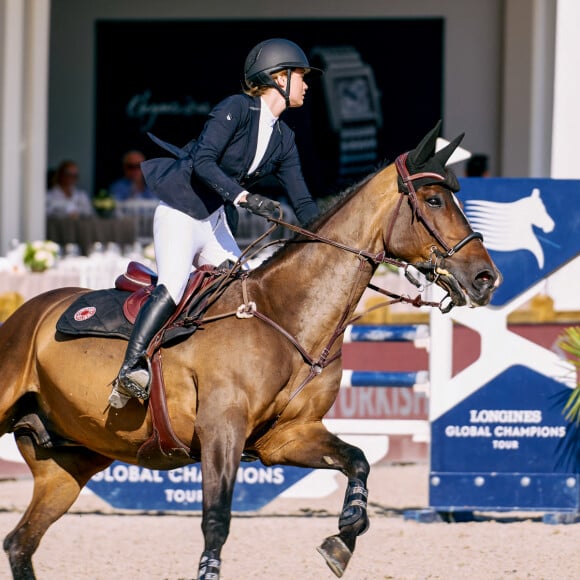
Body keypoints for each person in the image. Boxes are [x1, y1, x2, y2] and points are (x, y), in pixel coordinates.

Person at [110, 38, 322, 407]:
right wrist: (246, 197)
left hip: (213, 220)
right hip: (180, 212)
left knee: (242, 288)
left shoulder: (284, 139)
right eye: (301, 76)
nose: (306, 84)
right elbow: (203, 162)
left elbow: (302, 200)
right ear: (278, 78)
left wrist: (326, 237)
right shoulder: (236, 109)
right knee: (174, 284)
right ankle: (130, 368)